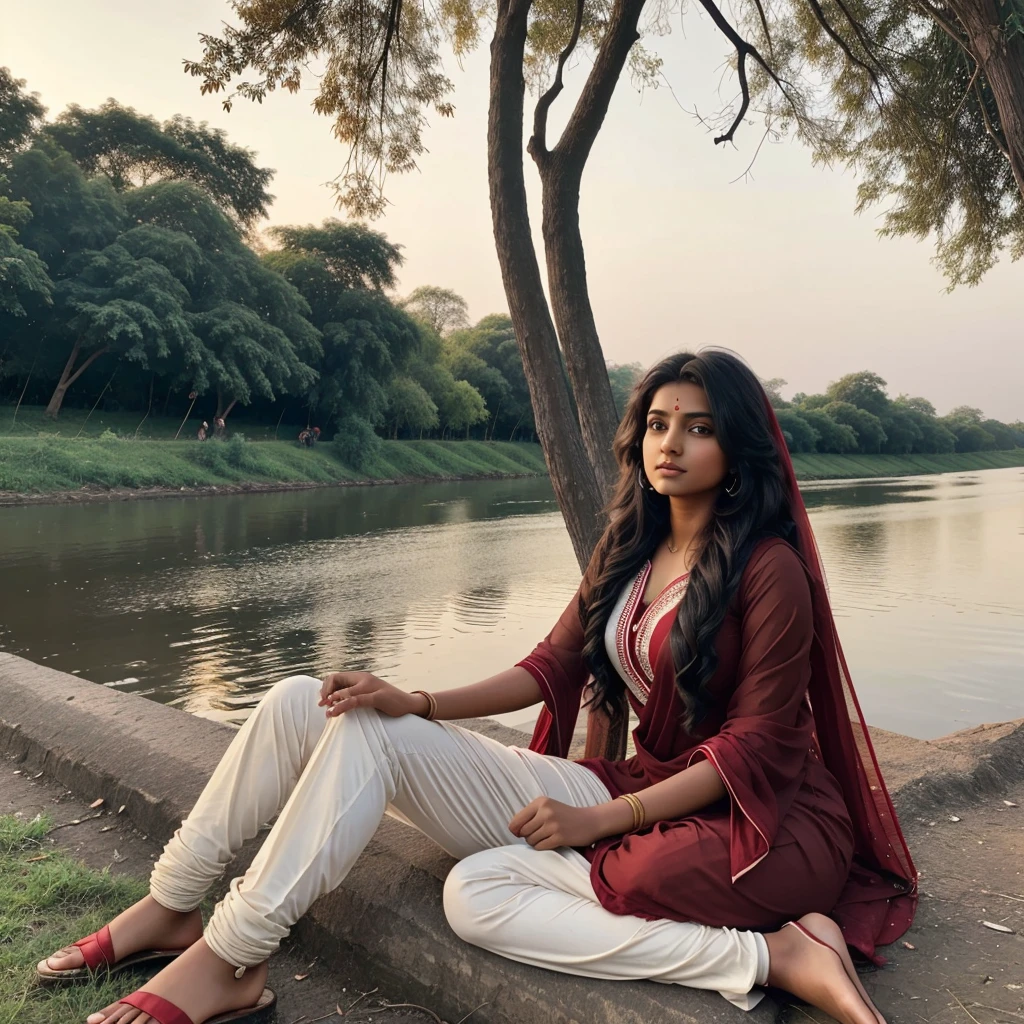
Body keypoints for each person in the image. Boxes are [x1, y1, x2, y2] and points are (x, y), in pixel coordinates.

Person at [37, 349, 917, 1024]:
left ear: (737, 446)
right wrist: (413, 699)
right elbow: (545, 669)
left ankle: (776, 957)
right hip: (643, 788)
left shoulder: (771, 571)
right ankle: (173, 906)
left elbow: (753, 750)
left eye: (698, 426)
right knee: (305, 699)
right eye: (656, 423)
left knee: (476, 895)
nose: (671, 444)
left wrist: (597, 821)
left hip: (757, 822)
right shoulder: (635, 553)